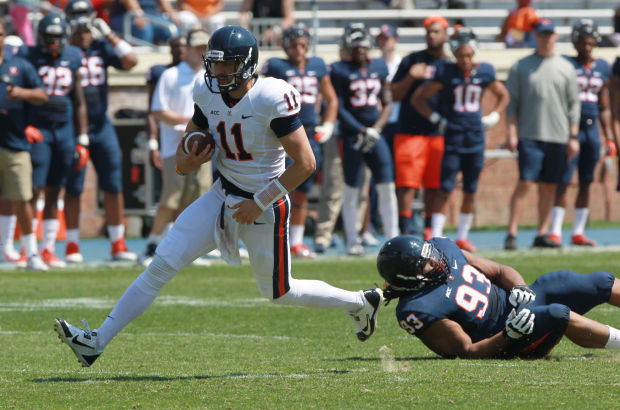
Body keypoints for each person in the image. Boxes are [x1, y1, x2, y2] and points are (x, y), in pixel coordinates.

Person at [54, 26, 383, 367]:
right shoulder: (206, 91)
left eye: (228, 65)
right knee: (160, 265)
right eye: (215, 64)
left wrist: (257, 202)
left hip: (265, 205)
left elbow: (306, 163)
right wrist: (189, 159)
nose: (219, 72)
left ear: (248, 64)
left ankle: (360, 302)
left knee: (280, 293)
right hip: (221, 194)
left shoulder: (271, 96)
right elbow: (183, 159)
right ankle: (95, 342)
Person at [376, 235, 620, 359]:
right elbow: (467, 350)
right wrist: (508, 335)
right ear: (409, 278)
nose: (435, 261)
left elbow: (501, 271)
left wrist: (520, 288)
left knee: (598, 281)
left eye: (430, 254)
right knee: (557, 313)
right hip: (511, 336)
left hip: (517, 303)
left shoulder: (444, 249)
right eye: (426, 264)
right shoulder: (418, 308)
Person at [411, 27, 509, 252]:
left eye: (468, 55)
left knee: (471, 189)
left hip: (475, 137)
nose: (465, 60)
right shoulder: (445, 72)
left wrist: (494, 114)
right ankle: (435, 235)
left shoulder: (485, 72)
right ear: (454, 54)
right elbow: (419, 98)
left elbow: (503, 94)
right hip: (454, 135)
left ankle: (463, 236)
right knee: (445, 188)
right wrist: (437, 118)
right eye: (461, 55)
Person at [63, 0, 138, 263]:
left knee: (113, 183)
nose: (84, 31)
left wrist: (107, 32)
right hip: (71, 126)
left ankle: (118, 242)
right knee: (73, 186)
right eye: (79, 24)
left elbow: (131, 61)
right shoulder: (63, 49)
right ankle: (72, 244)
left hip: (101, 124)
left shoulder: (101, 46)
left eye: (88, 24)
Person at [261, 22, 338, 259]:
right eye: (294, 44)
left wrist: (328, 124)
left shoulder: (317, 65)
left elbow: (331, 99)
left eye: (302, 44)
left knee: (303, 188)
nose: (298, 48)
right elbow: (259, 94)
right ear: (285, 46)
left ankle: (295, 241)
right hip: (280, 133)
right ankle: (265, 238)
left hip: (308, 131)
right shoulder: (276, 66)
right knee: (272, 185)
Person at [504, 19, 581, 250]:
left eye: (549, 34)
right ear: (536, 36)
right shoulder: (521, 66)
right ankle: (512, 232)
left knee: (549, 186)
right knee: (525, 182)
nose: (546, 38)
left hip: (558, 135)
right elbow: (511, 104)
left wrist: (573, 136)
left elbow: (573, 105)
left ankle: (542, 232)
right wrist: (511, 131)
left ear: (555, 36)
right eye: (542, 34)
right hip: (530, 134)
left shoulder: (566, 67)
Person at [139, 28, 213, 267]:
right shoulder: (171, 75)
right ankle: (151, 244)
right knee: (171, 198)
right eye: (198, 48)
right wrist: (187, 123)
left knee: (200, 198)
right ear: (188, 49)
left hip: (203, 148)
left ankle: (190, 248)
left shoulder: (209, 76)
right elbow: (159, 110)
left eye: (205, 49)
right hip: (176, 147)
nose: (202, 53)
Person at [20, 13, 88, 268]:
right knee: (33, 189)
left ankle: (47, 248)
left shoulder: (72, 56)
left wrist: (82, 138)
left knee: (54, 189)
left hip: (65, 130)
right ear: (40, 37)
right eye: (48, 37)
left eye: (57, 37)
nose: (53, 42)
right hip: (38, 129)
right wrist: (24, 125)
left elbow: (78, 100)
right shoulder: (28, 56)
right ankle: (29, 249)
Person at [330, 25, 398, 256]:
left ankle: (393, 238)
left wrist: (376, 129)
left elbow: (387, 103)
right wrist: (361, 130)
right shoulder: (339, 70)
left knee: (387, 185)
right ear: (349, 48)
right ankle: (352, 240)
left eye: (363, 46)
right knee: (352, 186)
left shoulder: (379, 66)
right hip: (352, 136)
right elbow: (338, 106)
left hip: (375, 134)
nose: (360, 51)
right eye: (355, 47)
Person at [548, 20, 612, 248]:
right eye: (582, 43)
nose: (586, 47)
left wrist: (610, 137)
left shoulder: (603, 67)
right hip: (570, 129)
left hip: (592, 128)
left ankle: (578, 231)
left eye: (590, 43)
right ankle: (555, 231)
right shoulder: (566, 64)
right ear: (575, 42)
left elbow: (604, 105)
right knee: (563, 180)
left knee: (587, 181)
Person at [390, 16, 448, 240]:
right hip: (410, 130)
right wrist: (410, 78)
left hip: (437, 132)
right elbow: (393, 94)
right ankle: (405, 224)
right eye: (428, 32)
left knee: (434, 184)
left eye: (436, 31)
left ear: (445, 34)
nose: (431, 36)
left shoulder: (449, 64)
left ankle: (429, 227)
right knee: (407, 183)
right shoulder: (412, 61)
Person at [0, 17, 49, 271]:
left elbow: (42, 94)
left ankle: (31, 253)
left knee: (22, 198)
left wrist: (20, 93)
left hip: (14, 142)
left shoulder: (20, 66)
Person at [109, 0, 180, 45]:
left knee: (173, 27)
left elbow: (164, 2)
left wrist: (172, 14)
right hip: (126, 16)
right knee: (144, 28)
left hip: (151, 15)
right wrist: (138, 14)